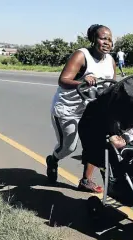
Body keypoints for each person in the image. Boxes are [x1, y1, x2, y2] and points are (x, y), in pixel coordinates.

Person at [46, 24, 116, 193]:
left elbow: (112, 86)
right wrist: (84, 81)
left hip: (91, 109)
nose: (107, 42)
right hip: (68, 109)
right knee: (68, 148)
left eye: (109, 39)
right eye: (102, 38)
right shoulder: (81, 55)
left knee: (95, 143)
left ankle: (86, 180)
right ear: (93, 39)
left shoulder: (110, 61)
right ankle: (53, 160)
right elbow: (63, 80)